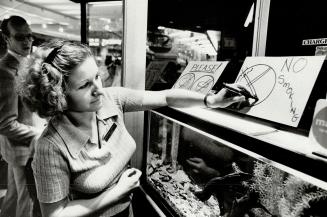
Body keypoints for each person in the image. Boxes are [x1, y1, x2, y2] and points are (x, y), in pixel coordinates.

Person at [20, 39, 248, 217]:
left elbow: (166, 96)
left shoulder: (112, 99)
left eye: (97, 77)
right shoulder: (50, 147)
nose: (99, 89)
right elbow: (56, 213)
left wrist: (211, 100)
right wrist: (117, 192)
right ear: (58, 95)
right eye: (85, 85)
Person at [0, 15, 42, 217]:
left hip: (17, 150)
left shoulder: (26, 63)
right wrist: (38, 134)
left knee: (14, 196)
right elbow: (5, 124)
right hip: (22, 150)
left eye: (30, 36)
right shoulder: (5, 71)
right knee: (27, 203)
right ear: (7, 38)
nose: (27, 42)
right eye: (20, 37)